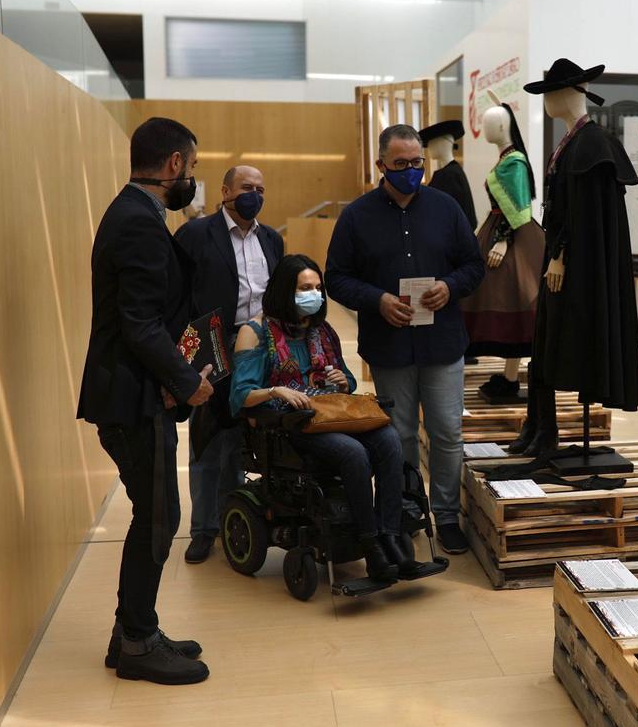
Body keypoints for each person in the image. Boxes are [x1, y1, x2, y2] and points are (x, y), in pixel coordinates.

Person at [77, 117, 213, 685]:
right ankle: (136, 643)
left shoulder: (134, 214)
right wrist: (187, 380)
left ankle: (133, 630)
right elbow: (139, 324)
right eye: (194, 168)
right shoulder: (137, 222)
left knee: (153, 515)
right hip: (131, 399)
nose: (194, 180)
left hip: (134, 392)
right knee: (159, 518)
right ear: (175, 165)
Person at [326, 124, 485, 555]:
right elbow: (336, 278)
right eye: (402, 165)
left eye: (418, 163)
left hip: (442, 343)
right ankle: (408, 512)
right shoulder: (356, 216)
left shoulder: (446, 208)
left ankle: (447, 514)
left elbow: (474, 265)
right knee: (400, 436)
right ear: (381, 165)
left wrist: (450, 287)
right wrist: (376, 299)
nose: (412, 171)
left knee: (448, 432)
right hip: (390, 346)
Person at [229, 254, 416, 581]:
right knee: (353, 452)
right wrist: (275, 391)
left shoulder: (322, 330)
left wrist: (346, 380)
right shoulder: (255, 332)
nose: (313, 294)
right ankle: (369, 544)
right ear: (286, 291)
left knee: (388, 440)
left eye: (317, 288)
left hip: (330, 414)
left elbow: (345, 378)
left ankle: (389, 534)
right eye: (305, 288)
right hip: (290, 426)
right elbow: (240, 395)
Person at [174, 165, 283, 564]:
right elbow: (178, 298)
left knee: (245, 439)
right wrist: (185, 355)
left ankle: (234, 516)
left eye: (260, 188)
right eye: (245, 188)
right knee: (208, 440)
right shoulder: (195, 235)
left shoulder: (271, 239)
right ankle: (204, 528)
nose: (253, 195)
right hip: (213, 348)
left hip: (259, 351)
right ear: (224, 191)